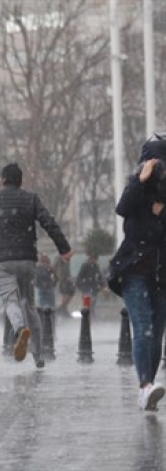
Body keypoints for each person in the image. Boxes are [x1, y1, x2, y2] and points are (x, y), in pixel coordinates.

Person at [0, 163, 72, 368]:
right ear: (21, 181)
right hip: (27, 259)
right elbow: (48, 222)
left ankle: (19, 331)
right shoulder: (31, 198)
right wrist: (63, 248)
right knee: (28, 304)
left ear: (2, 180)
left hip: (2, 260)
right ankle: (38, 355)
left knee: (11, 300)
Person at [107, 136, 166, 411]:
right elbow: (122, 209)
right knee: (143, 327)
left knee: (156, 335)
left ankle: (148, 387)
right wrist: (140, 180)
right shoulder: (136, 191)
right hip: (133, 272)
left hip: (161, 276)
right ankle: (144, 385)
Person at [75, 252, 105, 319]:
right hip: (86, 288)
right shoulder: (85, 266)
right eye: (93, 259)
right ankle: (87, 318)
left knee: (92, 304)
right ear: (90, 259)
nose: (94, 261)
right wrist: (82, 288)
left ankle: (91, 317)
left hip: (94, 289)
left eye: (95, 260)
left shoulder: (96, 266)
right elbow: (79, 277)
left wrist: (102, 285)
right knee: (87, 305)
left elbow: (100, 277)